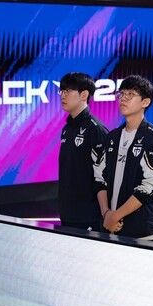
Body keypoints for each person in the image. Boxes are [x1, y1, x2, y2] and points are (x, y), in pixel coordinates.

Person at [97, 75, 153, 239]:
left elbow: (150, 186)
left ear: (145, 102)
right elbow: (99, 178)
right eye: (121, 94)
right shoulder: (112, 137)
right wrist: (107, 213)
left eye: (130, 94)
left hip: (144, 231)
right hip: (110, 226)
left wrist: (116, 215)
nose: (123, 98)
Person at [58, 72, 108, 231]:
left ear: (84, 94)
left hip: (88, 216)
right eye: (61, 91)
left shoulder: (96, 130)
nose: (63, 95)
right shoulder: (67, 128)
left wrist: (105, 212)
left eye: (68, 91)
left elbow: (104, 176)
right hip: (67, 212)